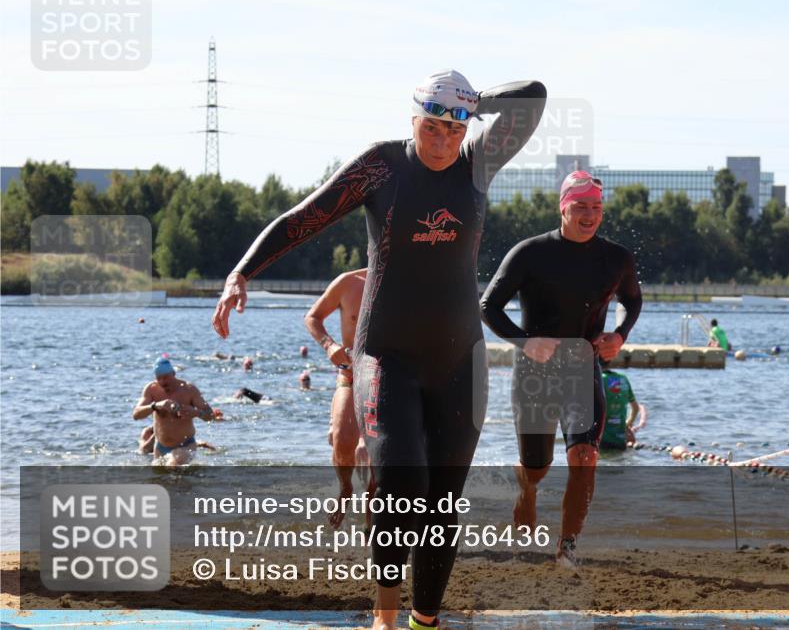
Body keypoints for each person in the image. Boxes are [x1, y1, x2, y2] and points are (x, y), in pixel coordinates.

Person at [211, 69, 546, 630]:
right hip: (385, 356)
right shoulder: (381, 166)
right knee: (402, 484)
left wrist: (470, 101)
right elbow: (303, 219)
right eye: (431, 126)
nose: (442, 141)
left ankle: (424, 621)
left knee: (440, 504)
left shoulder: (479, 162)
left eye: (453, 129)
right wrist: (242, 272)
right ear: (411, 119)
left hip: (461, 360)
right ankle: (383, 619)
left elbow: (533, 98)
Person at [480, 169, 643, 568]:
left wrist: (619, 334)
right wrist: (525, 341)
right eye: (581, 207)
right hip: (534, 372)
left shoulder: (616, 257)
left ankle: (567, 545)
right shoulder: (530, 253)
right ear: (563, 207)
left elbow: (633, 300)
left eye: (596, 208)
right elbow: (488, 306)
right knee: (536, 467)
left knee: (585, 456)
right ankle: (528, 492)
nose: (589, 215)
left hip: (582, 368)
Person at [303, 268, 369, 528]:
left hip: (391, 378)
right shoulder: (348, 282)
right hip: (351, 373)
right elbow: (312, 317)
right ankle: (345, 487)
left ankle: (371, 520)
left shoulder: (405, 280)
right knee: (342, 440)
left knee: (375, 454)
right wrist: (330, 346)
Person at [133, 357, 216, 466]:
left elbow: (210, 416)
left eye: (166, 377)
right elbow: (136, 415)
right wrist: (156, 405)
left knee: (171, 467)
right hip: (160, 446)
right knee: (160, 477)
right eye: (159, 378)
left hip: (185, 445)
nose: (163, 382)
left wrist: (196, 413)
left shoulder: (189, 389)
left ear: (173, 373)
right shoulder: (151, 389)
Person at [599, 360, 641, 451]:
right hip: (620, 440)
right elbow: (636, 408)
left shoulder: (598, 379)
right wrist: (626, 424)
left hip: (602, 440)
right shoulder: (623, 379)